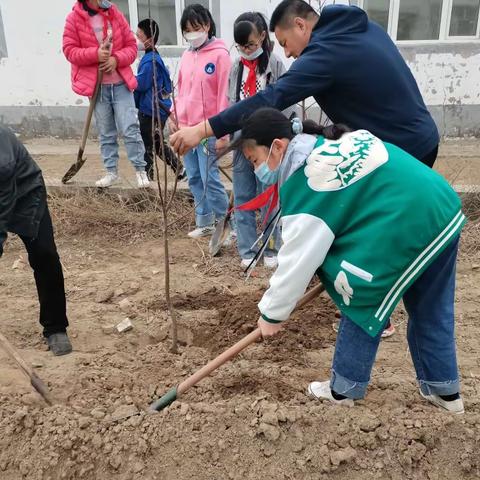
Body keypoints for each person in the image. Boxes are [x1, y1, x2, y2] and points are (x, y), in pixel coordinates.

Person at [171, 0, 439, 334]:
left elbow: (271, 98)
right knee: (369, 232)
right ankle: (375, 301)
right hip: (414, 139)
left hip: (400, 152)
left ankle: (370, 311)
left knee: (366, 236)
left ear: (301, 25)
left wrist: (204, 129)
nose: (290, 54)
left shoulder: (325, 55)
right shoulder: (363, 30)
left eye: (285, 43)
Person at [227, 107, 465, 414]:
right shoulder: (327, 143)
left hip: (409, 221)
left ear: (279, 146)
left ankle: (345, 389)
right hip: (441, 208)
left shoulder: (309, 181)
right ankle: (445, 392)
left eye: (255, 160)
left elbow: (298, 260)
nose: (257, 169)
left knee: (357, 289)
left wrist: (272, 314)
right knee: (431, 308)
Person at [0, 127, 73, 356]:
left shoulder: (2, 160)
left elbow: (2, 208)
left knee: (44, 254)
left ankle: (55, 327)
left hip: (25, 192)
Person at [63, 0, 150, 188]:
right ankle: (111, 172)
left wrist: (116, 60)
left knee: (130, 127)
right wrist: (95, 54)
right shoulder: (73, 19)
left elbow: (131, 47)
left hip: (120, 84)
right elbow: (69, 50)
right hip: (97, 87)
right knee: (106, 132)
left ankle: (140, 170)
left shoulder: (114, 13)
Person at [230, 12, 293, 269]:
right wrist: (227, 137)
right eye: (241, 46)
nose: (246, 50)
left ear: (263, 37)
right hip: (241, 141)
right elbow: (230, 105)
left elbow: (286, 102)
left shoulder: (275, 65)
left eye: (251, 44)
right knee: (243, 194)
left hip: (266, 142)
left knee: (267, 195)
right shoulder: (236, 68)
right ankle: (247, 248)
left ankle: (270, 247)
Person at [168, 4, 230, 239]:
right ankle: (204, 221)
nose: (193, 33)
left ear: (207, 25)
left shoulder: (220, 55)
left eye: (197, 27)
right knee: (193, 176)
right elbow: (181, 89)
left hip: (207, 129)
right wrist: (174, 116)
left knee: (209, 178)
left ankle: (226, 222)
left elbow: (224, 94)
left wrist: (223, 134)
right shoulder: (186, 55)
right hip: (185, 127)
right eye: (187, 30)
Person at [135, 19, 186, 182]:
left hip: (151, 110)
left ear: (149, 39)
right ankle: (177, 169)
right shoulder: (152, 57)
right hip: (153, 109)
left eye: (139, 36)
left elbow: (141, 84)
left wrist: (127, 78)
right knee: (154, 143)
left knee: (150, 145)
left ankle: (149, 177)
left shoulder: (150, 61)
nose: (136, 39)